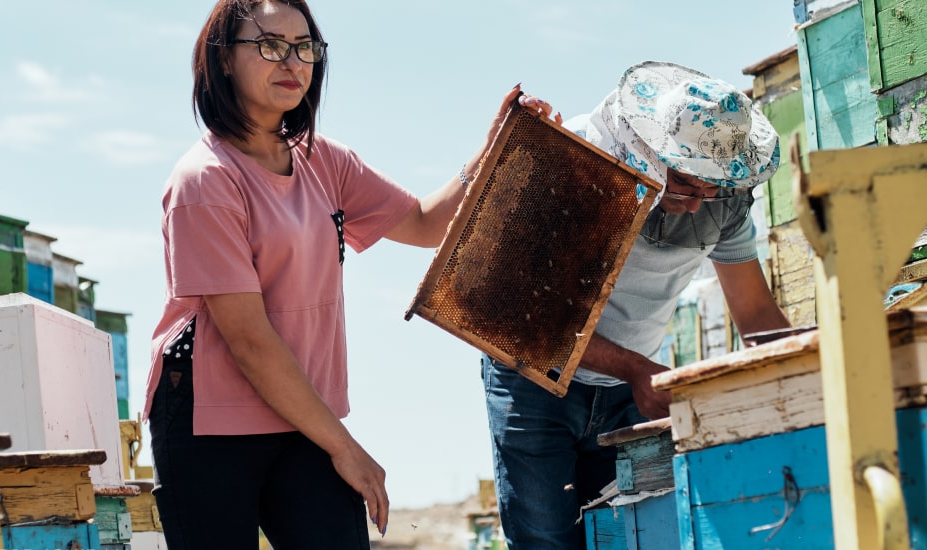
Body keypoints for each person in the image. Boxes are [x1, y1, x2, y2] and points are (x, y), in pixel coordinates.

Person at [142, 1, 556, 548]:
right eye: (270, 45)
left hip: (304, 413)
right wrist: (345, 446)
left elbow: (424, 222)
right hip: (209, 418)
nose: (292, 62)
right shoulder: (204, 181)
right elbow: (248, 339)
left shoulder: (325, 161)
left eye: (305, 47)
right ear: (222, 59)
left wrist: (493, 148)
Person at [483, 60, 793, 548]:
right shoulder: (578, 162)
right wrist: (636, 370)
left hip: (628, 390)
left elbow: (756, 316)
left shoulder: (725, 203)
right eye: (685, 184)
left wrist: (811, 372)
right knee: (546, 540)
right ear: (652, 149)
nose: (697, 203)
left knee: (632, 536)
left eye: (711, 189)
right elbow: (527, 314)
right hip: (534, 378)